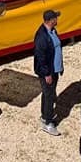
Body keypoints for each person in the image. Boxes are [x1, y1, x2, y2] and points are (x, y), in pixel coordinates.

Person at [33, 8, 63, 136]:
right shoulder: (42, 37)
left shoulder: (52, 31)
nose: (57, 19)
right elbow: (41, 57)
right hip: (48, 72)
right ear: (51, 21)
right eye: (56, 18)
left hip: (54, 70)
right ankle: (48, 124)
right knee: (50, 96)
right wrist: (47, 74)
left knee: (47, 94)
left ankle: (45, 115)